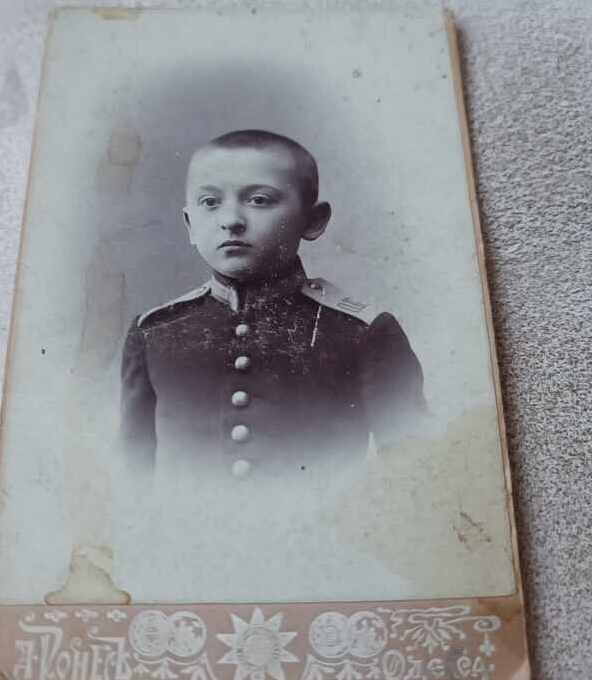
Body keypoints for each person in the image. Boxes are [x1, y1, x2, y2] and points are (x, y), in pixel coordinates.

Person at [120, 129, 425, 481]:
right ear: (190, 225)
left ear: (313, 221)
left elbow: (416, 476)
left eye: (259, 200)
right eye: (210, 202)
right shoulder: (154, 332)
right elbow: (130, 480)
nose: (231, 220)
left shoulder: (363, 333)